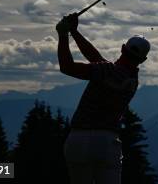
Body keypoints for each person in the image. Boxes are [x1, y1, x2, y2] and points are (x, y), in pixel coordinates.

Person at [56, 13, 150, 184]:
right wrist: (74, 33)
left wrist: (63, 34)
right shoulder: (131, 81)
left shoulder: (105, 71)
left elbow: (66, 67)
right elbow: (97, 59)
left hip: (78, 139)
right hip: (107, 143)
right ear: (143, 60)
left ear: (122, 48)